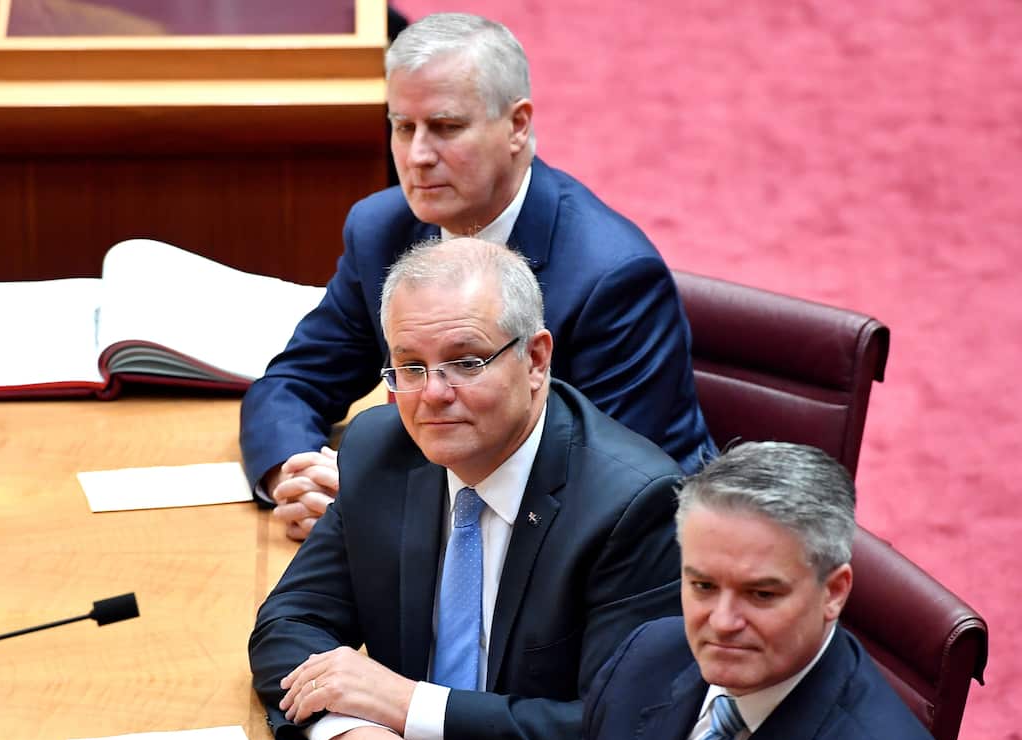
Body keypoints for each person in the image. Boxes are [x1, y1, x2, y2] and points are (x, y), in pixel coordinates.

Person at [248, 237, 684, 740]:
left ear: (535, 360)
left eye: (466, 362)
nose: (432, 394)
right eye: (410, 365)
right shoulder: (382, 449)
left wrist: (407, 706)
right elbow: (289, 624)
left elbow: (613, 736)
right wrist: (346, 729)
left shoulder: (631, 506)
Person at [239, 11, 713, 541]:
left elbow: (609, 486)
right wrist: (297, 475)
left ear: (517, 126)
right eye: (402, 127)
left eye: (445, 128)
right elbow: (293, 384)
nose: (417, 157)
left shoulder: (612, 278)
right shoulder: (380, 232)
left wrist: (369, 495)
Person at [545, 442, 965, 740]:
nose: (723, 622)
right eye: (703, 586)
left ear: (834, 592)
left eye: (761, 594)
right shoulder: (644, 659)